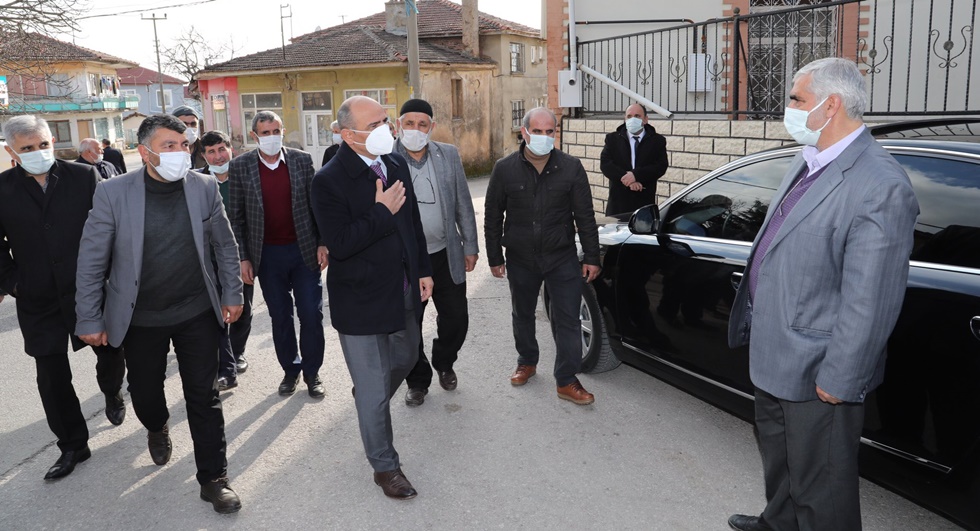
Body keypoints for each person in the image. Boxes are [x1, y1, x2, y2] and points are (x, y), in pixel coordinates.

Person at [726, 58, 919, 531]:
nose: (788, 108)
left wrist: (841, 376)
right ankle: (778, 522)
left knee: (823, 487)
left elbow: (870, 299)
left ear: (831, 105)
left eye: (796, 99)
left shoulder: (880, 184)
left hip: (820, 371)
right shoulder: (808, 157)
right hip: (774, 352)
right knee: (781, 460)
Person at [75, 114, 245, 514]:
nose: (181, 153)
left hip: (196, 311)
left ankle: (214, 479)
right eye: (170, 146)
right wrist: (89, 317)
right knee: (147, 394)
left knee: (204, 396)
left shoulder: (203, 187)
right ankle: (156, 425)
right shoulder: (113, 193)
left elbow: (224, 244)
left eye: (185, 145)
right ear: (145, 150)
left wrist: (232, 292)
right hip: (140, 317)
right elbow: (91, 260)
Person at [311, 95, 433, 499]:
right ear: (348, 135)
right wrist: (380, 211)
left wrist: (423, 271)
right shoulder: (328, 180)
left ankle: (369, 395)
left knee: (408, 356)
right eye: (375, 124)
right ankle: (385, 467)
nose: (387, 129)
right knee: (376, 388)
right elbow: (340, 244)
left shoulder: (394, 163)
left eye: (386, 120)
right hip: (360, 300)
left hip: (402, 289)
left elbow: (412, 222)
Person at [0, 115, 127, 481]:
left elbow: (110, 228)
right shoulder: (2, 189)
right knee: (51, 378)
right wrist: (13, 282)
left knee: (111, 354)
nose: (38, 152)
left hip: (89, 290)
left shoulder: (83, 177)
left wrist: (111, 276)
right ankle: (73, 444)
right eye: (28, 148)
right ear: (12, 151)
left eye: (43, 145)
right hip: (37, 298)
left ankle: (112, 390)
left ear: (51, 142)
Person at [484, 107, 601, 405]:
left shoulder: (571, 167)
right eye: (538, 131)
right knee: (522, 313)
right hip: (521, 256)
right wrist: (495, 256)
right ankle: (527, 361)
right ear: (524, 133)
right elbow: (493, 215)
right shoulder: (504, 168)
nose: (544, 137)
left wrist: (592, 256)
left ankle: (566, 379)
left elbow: (585, 216)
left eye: (550, 132)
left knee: (568, 318)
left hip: (561, 256)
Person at [228, 110, 328, 398]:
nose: (271, 137)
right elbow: (236, 217)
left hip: (303, 250)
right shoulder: (241, 166)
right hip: (267, 256)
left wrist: (322, 242)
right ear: (254, 136)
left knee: (311, 312)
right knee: (280, 316)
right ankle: (290, 370)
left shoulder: (301, 160)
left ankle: (312, 372)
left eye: (276, 131)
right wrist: (243, 258)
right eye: (265, 132)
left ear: (283, 131)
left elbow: (316, 206)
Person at [393, 98, 479, 407]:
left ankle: (444, 361)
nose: (415, 129)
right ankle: (417, 381)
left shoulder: (448, 155)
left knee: (456, 318)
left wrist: (470, 245)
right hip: (406, 261)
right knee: (409, 324)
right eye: (409, 123)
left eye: (422, 124)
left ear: (432, 127)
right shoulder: (385, 158)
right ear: (399, 124)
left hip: (446, 253)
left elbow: (462, 203)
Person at [200, 130, 253, 391]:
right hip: (208, 260)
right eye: (211, 151)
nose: (218, 156)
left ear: (230, 149)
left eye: (222, 149)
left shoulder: (244, 177)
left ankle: (237, 351)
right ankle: (225, 365)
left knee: (243, 308)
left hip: (242, 258)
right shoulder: (197, 180)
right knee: (216, 313)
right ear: (203, 155)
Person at [599, 103, 668, 215]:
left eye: (637, 116)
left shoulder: (657, 141)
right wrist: (628, 180)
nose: (632, 120)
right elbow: (606, 164)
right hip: (618, 204)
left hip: (644, 202)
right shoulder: (612, 139)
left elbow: (660, 166)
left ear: (645, 119)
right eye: (629, 116)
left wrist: (636, 175)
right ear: (625, 119)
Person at [171, 105, 208, 169]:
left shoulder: (206, 150)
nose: (189, 127)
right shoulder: (165, 151)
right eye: (184, 124)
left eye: (193, 124)